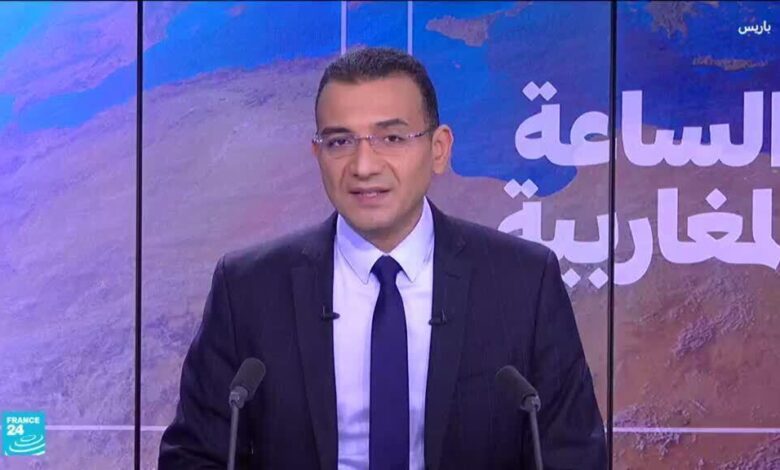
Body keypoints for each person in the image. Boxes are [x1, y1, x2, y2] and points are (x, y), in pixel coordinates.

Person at [159, 47, 606, 469]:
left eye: (391, 137)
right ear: (317, 154)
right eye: (339, 142)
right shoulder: (248, 289)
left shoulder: (523, 283)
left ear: (439, 149)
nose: (363, 166)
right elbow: (195, 456)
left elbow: (572, 457)